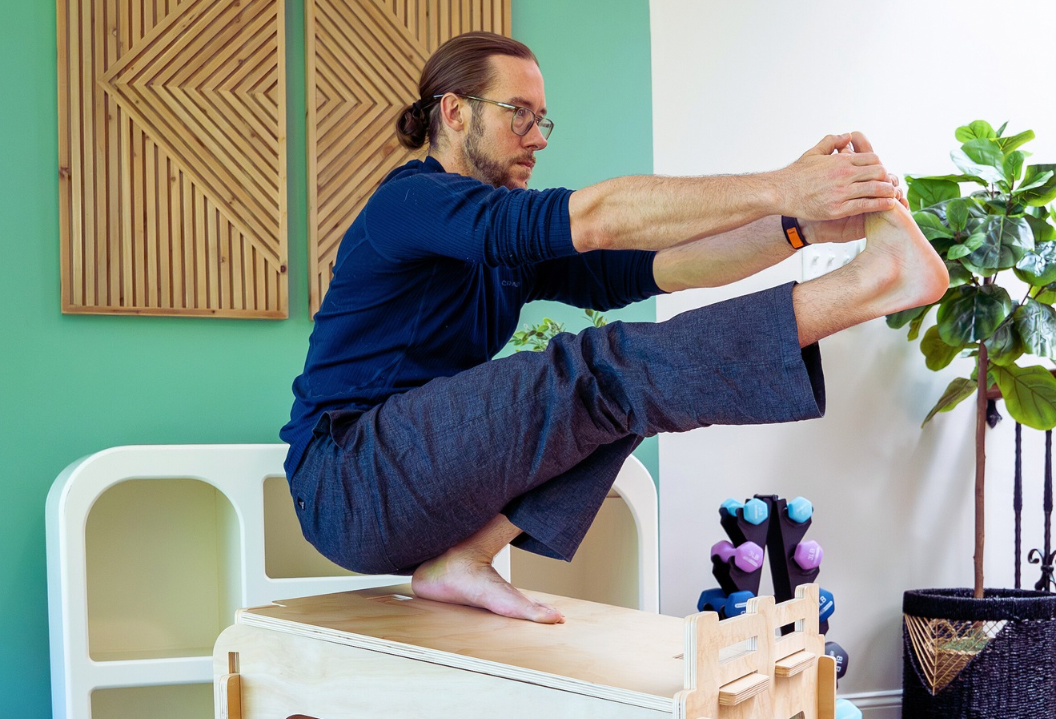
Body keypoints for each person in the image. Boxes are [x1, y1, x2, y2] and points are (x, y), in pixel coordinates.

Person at [281, 31, 947, 624]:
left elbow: (669, 267)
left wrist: (802, 226)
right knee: (603, 370)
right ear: (454, 113)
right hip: (347, 478)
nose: (538, 137)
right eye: (520, 115)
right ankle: (874, 283)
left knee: (625, 400)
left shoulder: (500, 249)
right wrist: (785, 185)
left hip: (407, 488)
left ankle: (462, 562)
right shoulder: (410, 202)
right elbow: (597, 217)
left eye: (544, 121)